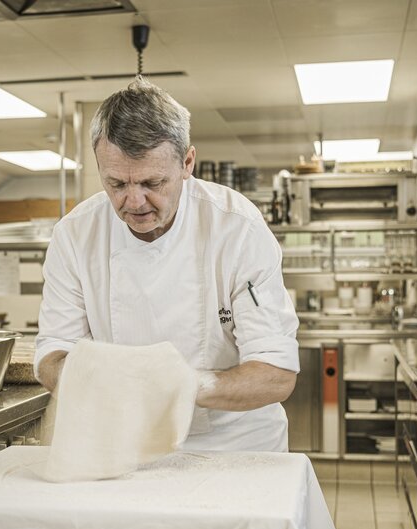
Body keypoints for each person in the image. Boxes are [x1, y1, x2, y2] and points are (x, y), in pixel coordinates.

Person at [34, 77, 299, 452]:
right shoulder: (76, 235)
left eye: (152, 182)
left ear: (187, 162)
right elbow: (52, 353)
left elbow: (276, 375)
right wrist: (94, 378)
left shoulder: (237, 228)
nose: (134, 201)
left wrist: (183, 383)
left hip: (234, 443)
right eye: (116, 183)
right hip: (125, 441)